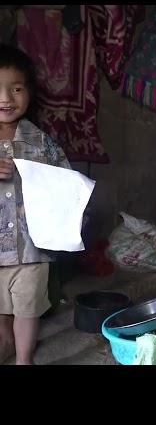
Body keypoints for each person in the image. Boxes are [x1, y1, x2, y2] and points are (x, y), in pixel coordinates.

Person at [0, 44, 71, 365]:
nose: (6, 98)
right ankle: (6, 345)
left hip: (32, 247)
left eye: (16, 89)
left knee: (27, 308)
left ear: (29, 93)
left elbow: (66, 182)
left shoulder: (42, 142)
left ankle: (23, 359)